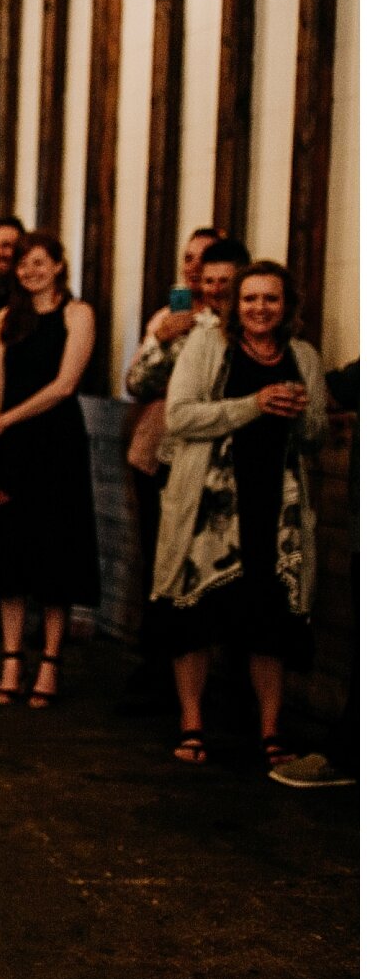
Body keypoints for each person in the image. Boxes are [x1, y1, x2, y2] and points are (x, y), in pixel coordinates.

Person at [153, 261, 326, 771]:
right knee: (197, 615)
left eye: (270, 299)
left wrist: (300, 415)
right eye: (250, 299)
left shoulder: (302, 355)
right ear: (236, 304)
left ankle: (270, 731)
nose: (259, 308)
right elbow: (179, 416)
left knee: (270, 616)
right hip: (210, 508)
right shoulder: (208, 346)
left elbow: (315, 433)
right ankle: (191, 723)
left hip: (277, 504)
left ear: (287, 304)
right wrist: (254, 403)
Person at [0, 233, 99, 708]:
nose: (30, 272)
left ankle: (49, 662)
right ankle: (10, 659)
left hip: (57, 441)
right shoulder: (7, 316)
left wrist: (2, 422)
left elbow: (65, 385)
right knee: (10, 552)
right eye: (24, 265)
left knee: (55, 552)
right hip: (12, 447)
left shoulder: (78, 314)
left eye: (40, 263)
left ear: (60, 264)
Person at [122, 232, 241, 708]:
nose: (196, 271)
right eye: (190, 260)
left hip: (223, 460)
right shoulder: (170, 318)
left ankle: (218, 684)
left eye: (209, 265)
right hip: (162, 454)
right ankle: (161, 671)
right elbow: (135, 382)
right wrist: (159, 338)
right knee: (163, 563)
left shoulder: (241, 321)